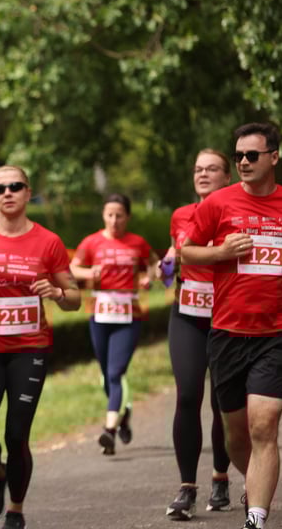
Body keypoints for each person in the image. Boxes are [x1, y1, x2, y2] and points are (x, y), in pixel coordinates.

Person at [181, 122, 282, 529]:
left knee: (264, 424)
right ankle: (253, 482)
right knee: (236, 435)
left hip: (278, 332)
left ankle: (256, 517)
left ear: (274, 157)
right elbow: (187, 253)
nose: (244, 162)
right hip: (229, 332)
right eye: (239, 156)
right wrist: (220, 252)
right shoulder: (217, 203)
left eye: (252, 155)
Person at [0, 166, 81, 529]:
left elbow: (74, 298)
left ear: (28, 192)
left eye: (15, 186)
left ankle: (16, 510)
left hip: (30, 349)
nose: (7, 192)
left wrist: (55, 293)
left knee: (16, 434)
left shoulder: (48, 242)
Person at [161, 149, 233, 520]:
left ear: (228, 176)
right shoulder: (181, 215)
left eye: (212, 169)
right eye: (198, 169)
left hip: (227, 315)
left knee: (223, 402)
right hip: (187, 313)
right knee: (188, 394)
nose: (203, 174)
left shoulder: (238, 213)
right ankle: (187, 488)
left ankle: (221, 476)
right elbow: (178, 256)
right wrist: (169, 264)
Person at [69, 193, 159, 455]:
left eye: (119, 215)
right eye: (109, 214)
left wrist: (148, 278)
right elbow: (72, 268)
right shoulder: (92, 242)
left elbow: (153, 263)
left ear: (127, 217)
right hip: (100, 313)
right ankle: (124, 413)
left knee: (115, 372)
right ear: (103, 216)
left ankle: (109, 430)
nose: (114, 220)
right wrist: (89, 272)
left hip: (128, 315)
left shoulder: (137, 242)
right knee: (106, 372)